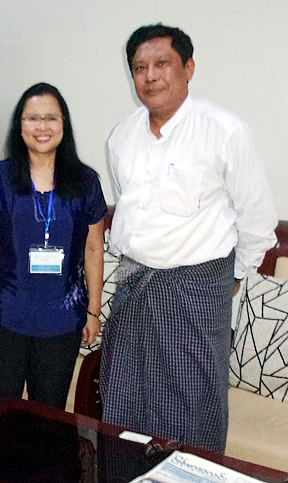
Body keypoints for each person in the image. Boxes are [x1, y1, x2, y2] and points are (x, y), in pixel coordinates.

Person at [100, 24, 277, 453]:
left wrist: (230, 276)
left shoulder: (224, 131)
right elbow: (132, 211)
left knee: (191, 409)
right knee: (124, 403)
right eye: (140, 67)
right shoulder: (121, 137)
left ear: (188, 68)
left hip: (197, 288)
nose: (150, 76)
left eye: (162, 64)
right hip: (135, 283)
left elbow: (257, 221)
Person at [0, 82, 107, 410]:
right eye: (33, 118)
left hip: (62, 323)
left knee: (49, 418)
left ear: (64, 125)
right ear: (19, 127)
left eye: (51, 118)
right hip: (4, 320)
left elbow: (93, 249)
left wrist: (93, 311)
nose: (42, 127)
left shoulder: (85, 181)